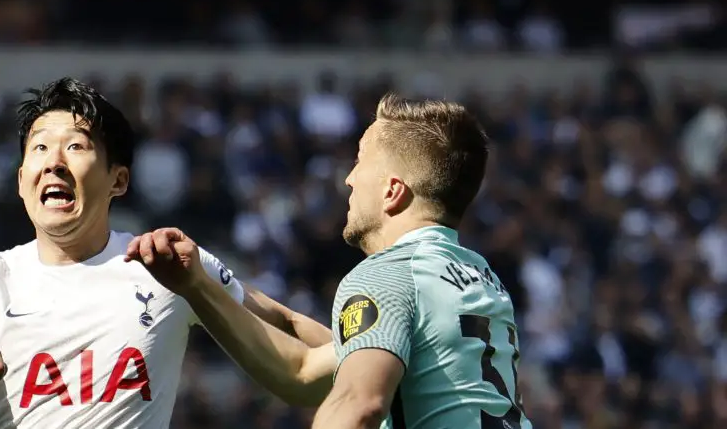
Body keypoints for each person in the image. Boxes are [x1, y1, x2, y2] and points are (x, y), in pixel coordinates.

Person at [0, 77, 330, 428]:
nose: (54, 161)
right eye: (39, 149)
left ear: (118, 180)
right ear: (20, 181)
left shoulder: (166, 266)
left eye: (75, 146)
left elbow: (287, 323)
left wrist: (380, 360)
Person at [128, 95, 533, 429]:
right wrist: (204, 282)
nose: (349, 179)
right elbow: (304, 369)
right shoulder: (477, 276)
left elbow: (358, 404)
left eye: (360, 162)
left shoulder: (388, 274)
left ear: (393, 191)